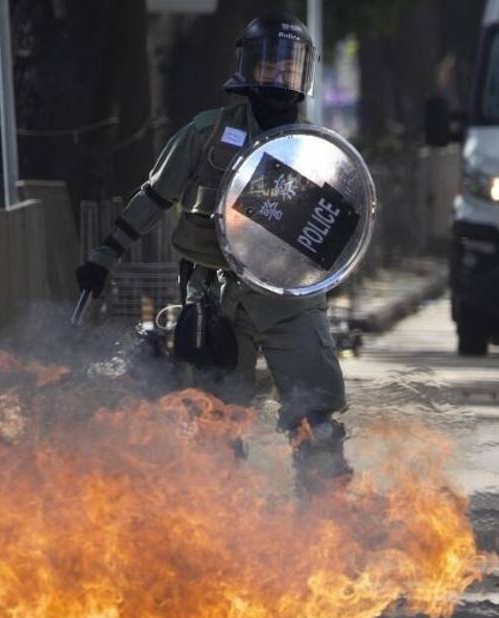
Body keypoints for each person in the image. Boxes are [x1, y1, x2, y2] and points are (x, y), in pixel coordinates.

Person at [75, 12, 350, 498]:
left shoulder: (316, 154)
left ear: (304, 74)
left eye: (290, 68)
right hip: (216, 299)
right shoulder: (205, 136)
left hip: (289, 302)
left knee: (316, 416)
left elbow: (343, 231)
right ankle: (222, 527)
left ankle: (326, 518)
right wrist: (104, 256)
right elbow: (154, 197)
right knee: (215, 420)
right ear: (247, 67)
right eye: (270, 66)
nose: (279, 77)